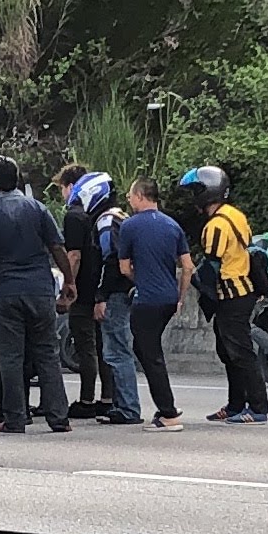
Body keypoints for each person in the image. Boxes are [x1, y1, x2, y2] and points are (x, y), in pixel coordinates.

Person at [0, 158, 76, 434]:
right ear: (19, 180)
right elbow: (57, 247)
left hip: (3, 293)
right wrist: (69, 280)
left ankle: (15, 418)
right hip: (39, 290)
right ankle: (59, 417)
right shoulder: (37, 209)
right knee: (47, 353)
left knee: (10, 357)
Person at [179, 165, 268, 425]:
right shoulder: (235, 215)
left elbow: (212, 266)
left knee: (239, 351)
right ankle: (235, 404)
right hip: (243, 292)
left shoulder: (216, 226)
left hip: (233, 294)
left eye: (195, 191)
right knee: (228, 350)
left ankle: (257, 407)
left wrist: (193, 281)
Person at [119, 177, 193, 432]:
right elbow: (187, 266)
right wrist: (180, 297)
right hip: (168, 299)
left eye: (130, 195)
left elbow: (124, 267)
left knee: (150, 354)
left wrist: (139, 279)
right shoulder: (173, 226)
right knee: (145, 349)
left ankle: (168, 413)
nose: (128, 200)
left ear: (140, 195)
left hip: (146, 299)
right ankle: (165, 405)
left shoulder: (129, 226)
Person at [54, 164, 114, 419]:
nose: (63, 195)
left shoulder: (74, 215)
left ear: (72, 187)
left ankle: (87, 399)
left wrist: (68, 287)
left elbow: (74, 255)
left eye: (62, 189)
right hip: (100, 287)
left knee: (85, 345)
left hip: (83, 290)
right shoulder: (99, 214)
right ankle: (108, 397)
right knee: (102, 346)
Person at [89, 181, 142, 425]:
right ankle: (125, 405)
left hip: (116, 295)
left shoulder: (106, 221)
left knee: (117, 351)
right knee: (120, 349)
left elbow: (110, 262)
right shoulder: (122, 216)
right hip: (127, 291)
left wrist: (100, 296)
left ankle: (128, 408)